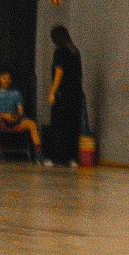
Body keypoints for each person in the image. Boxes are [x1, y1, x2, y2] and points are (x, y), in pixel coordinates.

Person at [42, 24, 84, 166]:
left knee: (59, 126)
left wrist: (52, 92)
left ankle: (57, 158)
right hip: (76, 93)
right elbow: (78, 76)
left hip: (63, 94)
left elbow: (59, 73)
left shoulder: (59, 52)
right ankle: (72, 159)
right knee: (72, 126)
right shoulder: (74, 51)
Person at [0, 68, 42, 158]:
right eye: (4, 78)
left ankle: (39, 155)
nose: (6, 81)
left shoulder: (16, 93)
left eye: (8, 78)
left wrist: (14, 117)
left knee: (32, 124)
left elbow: (21, 112)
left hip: (15, 121)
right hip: (2, 121)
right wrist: (3, 116)